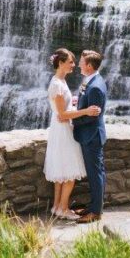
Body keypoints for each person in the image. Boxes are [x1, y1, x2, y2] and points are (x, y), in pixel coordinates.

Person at [43, 48, 101, 220]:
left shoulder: (60, 81)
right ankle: (63, 208)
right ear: (60, 63)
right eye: (70, 62)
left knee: (61, 171)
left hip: (60, 128)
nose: (74, 66)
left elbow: (62, 109)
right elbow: (62, 115)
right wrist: (85, 111)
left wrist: (73, 103)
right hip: (63, 130)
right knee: (69, 170)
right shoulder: (57, 85)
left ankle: (57, 207)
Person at [68, 50, 107, 224]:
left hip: (92, 136)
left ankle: (96, 212)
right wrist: (78, 104)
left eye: (81, 62)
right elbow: (88, 104)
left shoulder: (96, 86)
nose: (78, 65)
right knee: (95, 173)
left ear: (89, 66)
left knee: (95, 174)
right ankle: (92, 207)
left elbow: (93, 116)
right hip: (89, 136)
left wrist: (73, 119)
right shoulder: (91, 80)